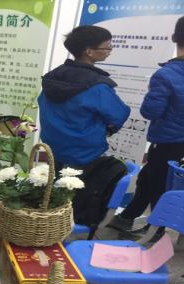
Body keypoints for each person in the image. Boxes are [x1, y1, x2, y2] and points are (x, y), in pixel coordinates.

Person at [109, 16, 184, 242]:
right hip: (177, 143)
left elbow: (150, 112)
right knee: (147, 178)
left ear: (174, 37)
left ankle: (155, 231)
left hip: (168, 142)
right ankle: (127, 216)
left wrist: (151, 91)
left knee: (160, 186)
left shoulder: (166, 75)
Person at [38, 25, 131, 171]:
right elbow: (119, 114)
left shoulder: (52, 78)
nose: (109, 51)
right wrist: (107, 127)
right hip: (83, 151)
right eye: (107, 46)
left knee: (52, 182)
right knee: (76, 184)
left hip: (53, 145)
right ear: (89, 52)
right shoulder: (97, 86)